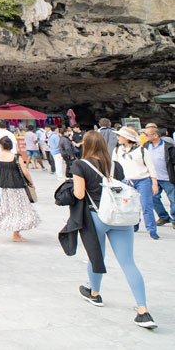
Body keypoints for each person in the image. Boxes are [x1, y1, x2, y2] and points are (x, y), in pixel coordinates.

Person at [71, 131, 155, 328]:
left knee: (96, 255)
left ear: (86, 145)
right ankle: (143, 310)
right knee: (128, 262)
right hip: (120, 217)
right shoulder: (116, 165)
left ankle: (95, 293)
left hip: (97, 216)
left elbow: (79, 194)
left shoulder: (80, 165)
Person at [113, 126, 159, 240]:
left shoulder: (142, 151)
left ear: (127, 138)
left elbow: (151, 167)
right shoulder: (117, 150)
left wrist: (154, 183)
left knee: (146, 205)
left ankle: (151, 229)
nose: (118, 137)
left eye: (120, 135)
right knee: (129, 205)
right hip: (126, 180)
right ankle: (134, 223)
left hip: (143, 179)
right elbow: (114, 166)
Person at [0, 136, 40, 242]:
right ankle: (16, 233)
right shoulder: (16, 157)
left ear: (0, 145)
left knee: (9, 208)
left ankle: (14, 231)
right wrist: (31, 183)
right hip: (17, 186)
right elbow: (25, 172)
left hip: (3, 186)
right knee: (20, 209)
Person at [144, 124, 175, 229]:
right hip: (153, 178)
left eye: (146, 134)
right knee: (153, 198)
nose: (145, 136)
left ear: (155, 135)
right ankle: (163, 216)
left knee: (173, 198)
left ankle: (174, 219)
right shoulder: (146, 146)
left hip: (167, 177)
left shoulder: (168, 146)